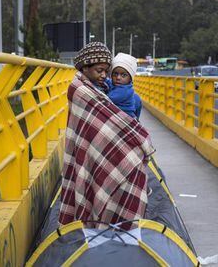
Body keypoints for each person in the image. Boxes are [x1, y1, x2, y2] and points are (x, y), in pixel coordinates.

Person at [59, 42, 155, 230]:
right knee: (98, 179)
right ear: (84, 67)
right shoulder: (81, 90)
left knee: (123, 177)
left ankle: (114, 222)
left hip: (108, 145)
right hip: (94, 150)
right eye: (100, 71)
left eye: (106, 71)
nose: (104, 76)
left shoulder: (100, 88)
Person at [106, 52, 142, 119]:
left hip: (125, 119)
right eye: (115, 74)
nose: (118, 77)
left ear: (130, 79)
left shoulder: (124, 90)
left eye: (123, 75)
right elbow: (109, 81)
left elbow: (107, 100)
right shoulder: (118, 84)